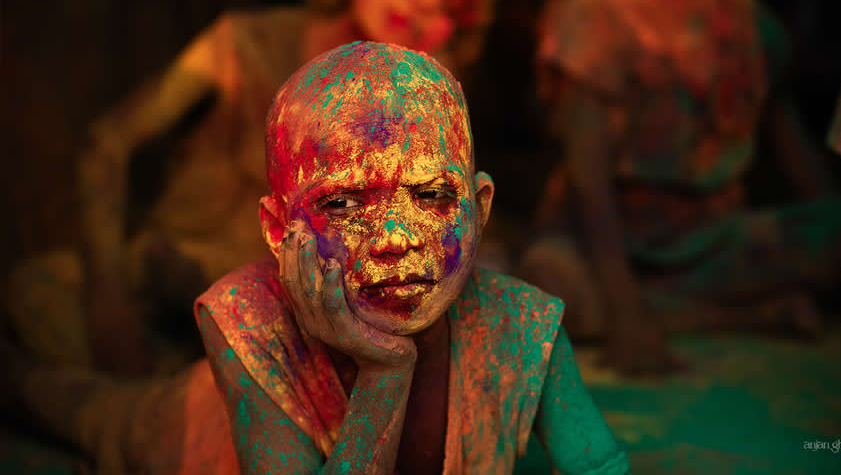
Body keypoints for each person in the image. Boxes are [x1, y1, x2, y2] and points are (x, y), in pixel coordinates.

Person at [6, 42, 631, 475]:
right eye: (341, 205)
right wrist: (385, 374)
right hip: (179, 429)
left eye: (434, 196)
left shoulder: (523, 329)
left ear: (481, 206)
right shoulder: (245, 320)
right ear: (278, 232)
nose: (396, 238)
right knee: (70, 403)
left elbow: (599, 462)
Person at [6, 0, 499, 376]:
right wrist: (108, 300)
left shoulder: (421, 93)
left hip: (302, 316)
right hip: (165, 280)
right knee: (34, 294)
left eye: (448, 9)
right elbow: (107, 144)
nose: (421, 10)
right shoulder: (241, 46)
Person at [520, 0, 841, 375]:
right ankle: (721, 312)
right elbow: (588, 185)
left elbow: (788, 140)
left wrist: (826, 234)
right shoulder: (590, 13)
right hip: (607, 245)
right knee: (552, 284)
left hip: (718, 238)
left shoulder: (743, 10)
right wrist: (627, 318)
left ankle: (693, 306)